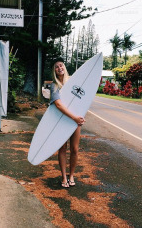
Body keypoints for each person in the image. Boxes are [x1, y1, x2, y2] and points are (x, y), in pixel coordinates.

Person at [50, 58, 85, 188]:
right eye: (56, 67)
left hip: (75, 120)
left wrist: (80, 117)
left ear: (64, 67)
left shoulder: (72, 83)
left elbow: (82, 100)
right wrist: (74, 118)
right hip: (61, 120)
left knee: (75, 149)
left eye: (61, 65)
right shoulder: (54, 86)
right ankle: (64, 176)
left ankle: (71, 175)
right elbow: (58, 104)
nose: (59, 68)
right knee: (63, 148)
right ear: (54, 71)